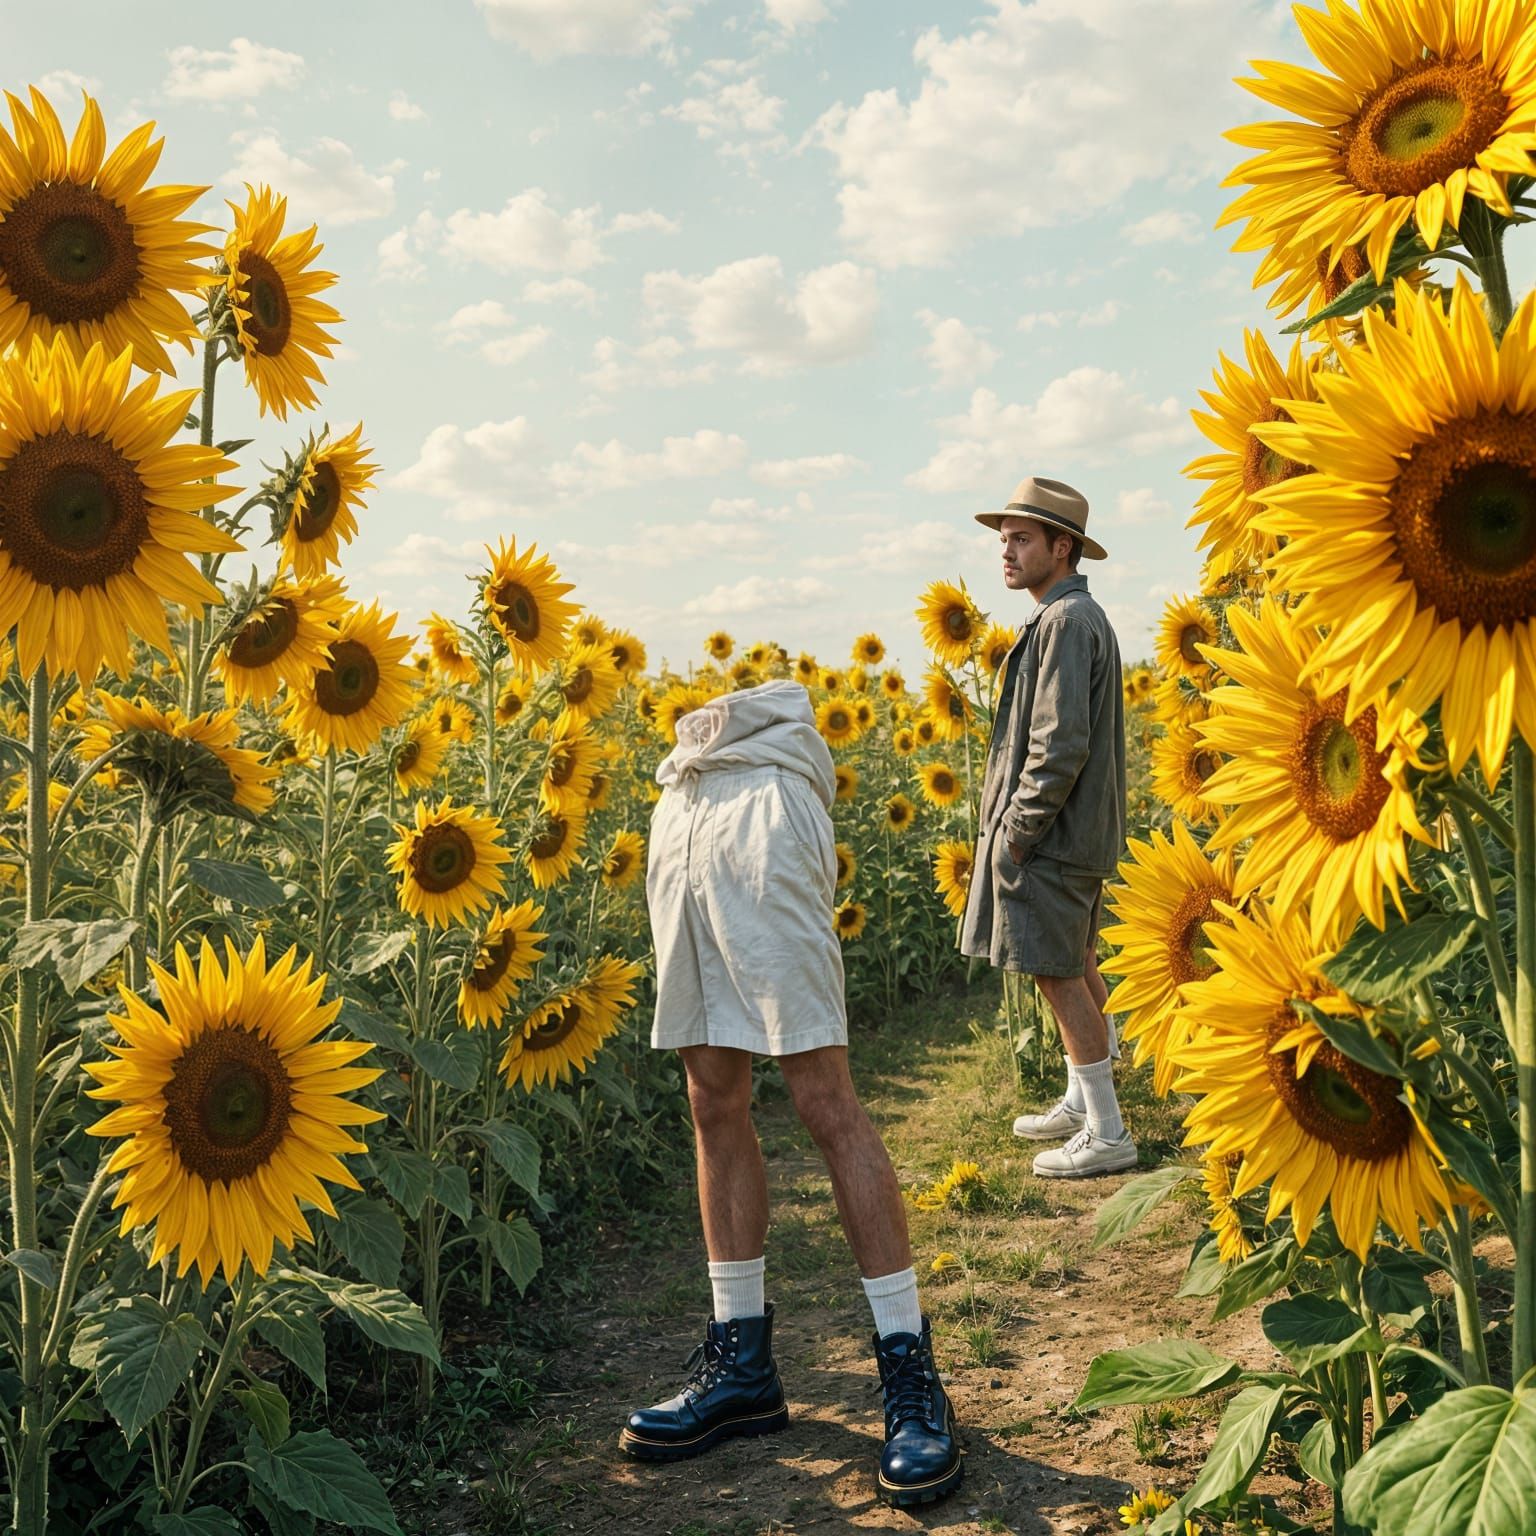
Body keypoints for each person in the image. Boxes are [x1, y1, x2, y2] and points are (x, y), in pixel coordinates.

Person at [619, 679, 963, 1509]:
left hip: (765, 790)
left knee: (822, 1097)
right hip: (684, 790)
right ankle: (742, 1369)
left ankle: (910, 1369)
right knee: (710, 1098)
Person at [960, 477, 1134, 1178]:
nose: (1005, 550)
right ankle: (1082, 1100)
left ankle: (1108, 1131)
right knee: (1074, 963)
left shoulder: (1064, 622)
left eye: (1021, 538)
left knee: (1057, 973)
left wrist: (1018, 832)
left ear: (1063, 548)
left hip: (1054, 837)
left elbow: (1060, 743)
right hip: (1073, 832)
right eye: (1003, 538)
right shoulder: (1068, 617)